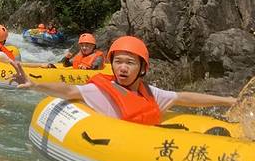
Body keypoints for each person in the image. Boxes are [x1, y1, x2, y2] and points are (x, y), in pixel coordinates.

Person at [37, 36, 236, 123]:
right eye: (119, 62)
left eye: (130, 63)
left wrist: (228, 101)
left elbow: (183, 98)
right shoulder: (100, 92)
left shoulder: (151, 93)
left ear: (142, 68)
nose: (123, 68)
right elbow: (69, 91)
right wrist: (35, 84)